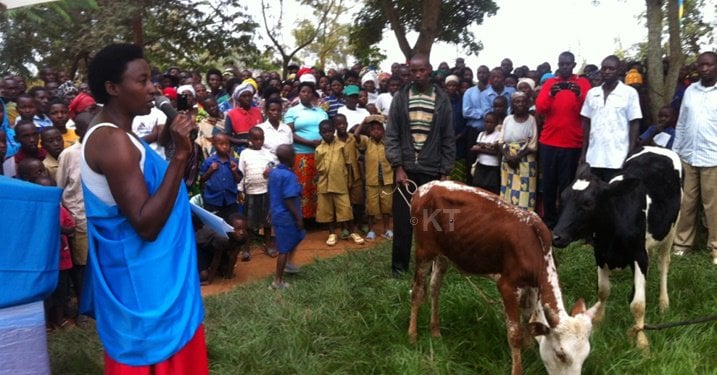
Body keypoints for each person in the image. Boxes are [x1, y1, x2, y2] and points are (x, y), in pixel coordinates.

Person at [81, 44, 207, 372]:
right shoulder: (112, 140)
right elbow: (145, 225)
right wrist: (180, 153)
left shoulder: (121, 134)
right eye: (142, 80)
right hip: (144, 285)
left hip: (151, 276)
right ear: (113, 89)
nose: (153, 88)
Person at [385, 53, 455, 277]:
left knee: (434, 223)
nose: (417, 75)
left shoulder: (442, 99)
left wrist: (445, 171)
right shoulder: (400, 98)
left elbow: (447, 137)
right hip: (406, 170)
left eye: (421, 70)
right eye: (413, 71)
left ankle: (434, 268)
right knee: (404, 223)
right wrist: (398, 166)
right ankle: (399, 270)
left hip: (432, 169)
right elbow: (392, 134)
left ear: (429, 70)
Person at [535, 51, 591, 228]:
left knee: (567, 187)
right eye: (561, 64)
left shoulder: (582, 83)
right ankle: (549, 220)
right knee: (549, 184)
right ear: (557, 65)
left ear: (573, 65)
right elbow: (540, 108)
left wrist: (579, 94)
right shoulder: (550, 83)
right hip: (549, 142)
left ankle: (564, 222)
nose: (564, 67)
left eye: (567, 64)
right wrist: (551, 94)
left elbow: (589, 109)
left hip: (572, 143)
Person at [671, 51, 717, 263]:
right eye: (702, 65)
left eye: (709, 65)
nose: (705, 69)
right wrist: (677, 150)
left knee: (713, 205)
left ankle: (715, 246)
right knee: (686, 202)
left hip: (712, 157)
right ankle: (682, 244)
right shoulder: (690, 90)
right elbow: (682, 122)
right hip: (688, 155)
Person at [580, 55, 641, 182]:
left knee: (615, 197)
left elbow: (634, 123)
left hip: (618, 157)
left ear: (619, 71)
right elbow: (586, 123)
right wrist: (583, 152)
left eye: (611, 69)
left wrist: (630, 152)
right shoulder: (592, 93)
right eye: (604, 68)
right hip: (594, 157)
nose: (607, 71)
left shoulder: (629, 93)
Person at [56, 111, 91, 321]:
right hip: (79, 219)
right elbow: (60, 189)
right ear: (78, 132)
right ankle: (82, 307)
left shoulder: (104, 149)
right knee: (81, 267)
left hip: (100, 217)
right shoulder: (69, 155)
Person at [315, 119, 364, 246]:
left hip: (340, 182)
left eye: (330, 131)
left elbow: (348, 164)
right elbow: (318, 167)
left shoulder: (342, 146)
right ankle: (332, 233)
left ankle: (352, 231)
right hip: (324, 183)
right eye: (324, 132)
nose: (327, 134)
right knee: (327, 209)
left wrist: (349, 180)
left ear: (334, 131)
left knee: (346, 208)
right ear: (320, 133)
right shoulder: (319, 149)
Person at [284, 81, 328, 220]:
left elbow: (328, 129)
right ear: (299, 94)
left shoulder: (321, 112)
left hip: (321, 153)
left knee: (318, 186)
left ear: (313, 94)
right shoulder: (292, 111)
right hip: (301, 154)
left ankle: (319, 217)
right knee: (303, 186)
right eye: (303, 91)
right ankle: (303, 218)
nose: (306, 94)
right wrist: (309, 142)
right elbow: (288, 132)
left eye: (309, 92)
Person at [268, 144, 305, 289]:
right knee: (283, 248)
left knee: (298, 235)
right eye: (294, 154)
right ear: (290, 157)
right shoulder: (289, 176)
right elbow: (288, 199)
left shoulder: (274, 173)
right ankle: (278, 281)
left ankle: (289, 263)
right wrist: (298, 218)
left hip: (277, 213)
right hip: (286, 216)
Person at [238, 127, 277, 258]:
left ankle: (269, 245)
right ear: (250, 139)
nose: (259, 141)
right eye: (255, 139)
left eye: (261, 138)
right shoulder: (245, 153)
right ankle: (246, 248)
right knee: (249, 223)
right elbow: (241, 173)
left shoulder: (267, 153)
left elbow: (273, 164)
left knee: (267, 221)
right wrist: (240, 190)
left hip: (266, 191)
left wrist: (269, 169)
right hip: (251, 192)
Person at [354, 115, 393, 240]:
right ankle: (371, 230)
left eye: (379, 129)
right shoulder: (366, 141)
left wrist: (387, 120)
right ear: (369, 132)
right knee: (371, 207)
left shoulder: (387, 142)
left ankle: (387, 229)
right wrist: (364, 121)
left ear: (383, 131)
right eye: (373, 129)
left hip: (386, 180)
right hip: (372, 181)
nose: (376, 131)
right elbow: (355, 135)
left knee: (386, 207)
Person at [499, 92, 538, 211]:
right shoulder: (507, 119)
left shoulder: (531, 120)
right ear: (512, 104)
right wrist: (508, 156)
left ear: (528, 104)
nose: (520, 104)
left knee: (525, 190)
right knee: (508, 188)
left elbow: (533, 144)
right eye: (517, 101)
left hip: (525, 160)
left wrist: (517, 157)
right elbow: (501, 141)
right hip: (508, 158)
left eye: (523, 101)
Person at [200, 132, 242, 221]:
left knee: (230, 223)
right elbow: (202, 179)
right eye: (221, 144)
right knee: (214, 223)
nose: (224, 146)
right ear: (214, 144)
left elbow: (238, 180)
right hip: (213, 199)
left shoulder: (233, 162)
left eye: (227, 144)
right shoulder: (209, 162)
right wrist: (210, 171)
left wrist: (234, 171)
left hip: (230, 199)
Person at [225, 82, 263, 155]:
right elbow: (227, 136)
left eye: (249, 96)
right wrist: (244, 141)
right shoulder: (231, 114)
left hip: (259, 150)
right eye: (244, 96)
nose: (247, 98)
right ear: (238, 98)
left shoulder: (258, 111)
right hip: (240, 150)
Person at [470, 111, 501, 193]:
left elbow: (496, 152)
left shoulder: (498, 135)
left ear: (496, 123)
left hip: (492, 167)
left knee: (490, 190)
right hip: (481, 165)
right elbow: (477, 147)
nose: (488, 124)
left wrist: (480, 149)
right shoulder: (481, 134)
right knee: (478, 189)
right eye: (486, 122)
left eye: (491, 122)